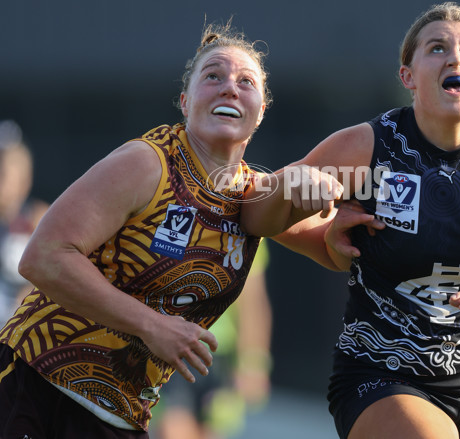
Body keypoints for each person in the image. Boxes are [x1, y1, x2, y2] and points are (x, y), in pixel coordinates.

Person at [241, 2, 460, 439]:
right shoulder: (368, 148)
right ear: (408, 77)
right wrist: (323, 239)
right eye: (437, 48)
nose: (456, 57)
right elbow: (256, 211)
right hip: (383, 370)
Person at [0, 21, 342, 438]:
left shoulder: (253, 196)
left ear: (262, 110)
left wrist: (353, 206)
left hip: (120, 414)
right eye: (213, 76)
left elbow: (336, 249)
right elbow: (43, 257)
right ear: (185, 100)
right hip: (33, 385)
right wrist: (152, 326)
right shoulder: (148, 164)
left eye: (245, 81)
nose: (229, 87)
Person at [151, 240, 273, 439]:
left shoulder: (248, 222)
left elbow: (252, 301)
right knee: (173, 428)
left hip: (218, 353)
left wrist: (254, 364)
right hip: (171, 345)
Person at [0, 120, 48, 323]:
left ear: (24, 179)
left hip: (22, 332)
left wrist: (32, 293)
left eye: (2, 174)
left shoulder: (42, 221)